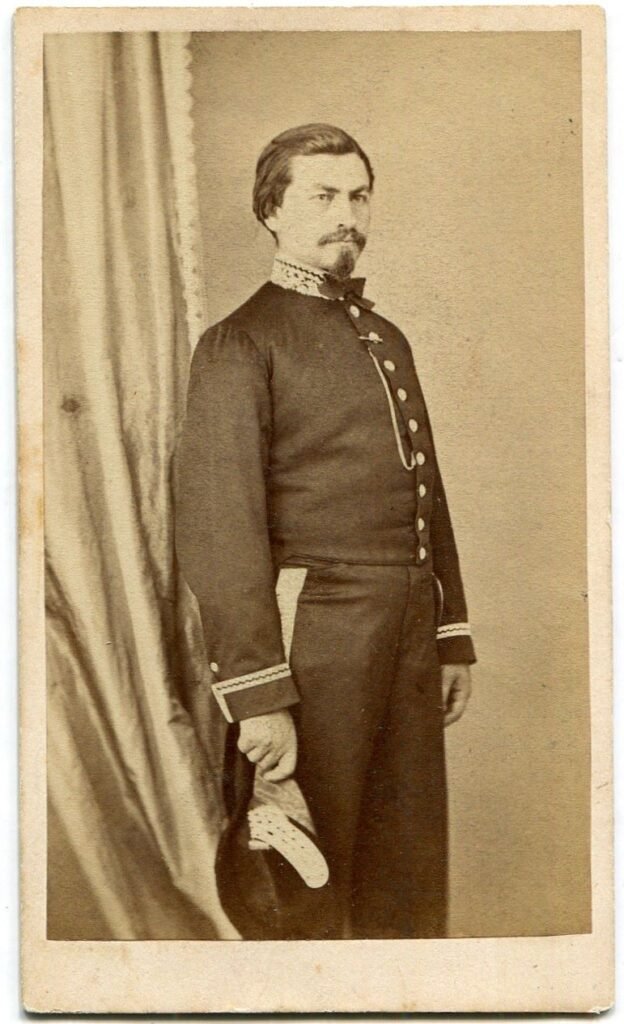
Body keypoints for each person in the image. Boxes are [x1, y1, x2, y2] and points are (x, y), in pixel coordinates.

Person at [174, 123, 476, 940]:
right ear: (272, 211)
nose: (347, 215)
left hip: (406, 639)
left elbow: (428, 497)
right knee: (300, 882)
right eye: (323, 196)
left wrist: (449, 635)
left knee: (407, 873)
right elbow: (221, 533)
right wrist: (259, 699)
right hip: (313, 643)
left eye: (359, 196)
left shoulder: (386, 339)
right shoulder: (240, 344)